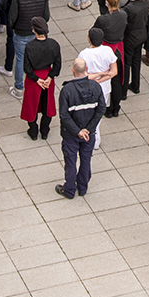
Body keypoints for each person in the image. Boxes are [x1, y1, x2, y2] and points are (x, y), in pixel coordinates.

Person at [57, 58, 106, 199]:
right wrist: (88, 129)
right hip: (88, 134)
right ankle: (83, 187)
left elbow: (64, 115)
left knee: (71, 162)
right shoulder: (96, 87)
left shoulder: (67, 90)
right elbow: (101, 108)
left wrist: (77, 131)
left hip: (71, 134)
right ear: (87, 69)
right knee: (86, 160)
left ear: (73, 70)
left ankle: (70, 190)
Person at [21, 17, 61, 139]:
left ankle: (33, 131)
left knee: (31, 105)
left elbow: (26, 68)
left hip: (34, 79)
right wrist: (50, 77)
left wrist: (37, 79)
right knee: (47, 105)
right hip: (48, 77)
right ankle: (44, 131)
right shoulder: (54, 44)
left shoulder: (30, 46)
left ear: (34, 30)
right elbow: (58, 64)